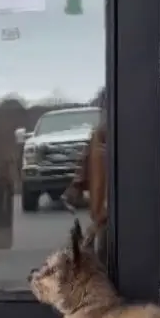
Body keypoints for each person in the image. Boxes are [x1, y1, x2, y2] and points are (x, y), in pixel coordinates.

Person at [64, 88, 108, 261]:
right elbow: (85, 160)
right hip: (102, 216)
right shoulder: (98, 134)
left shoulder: (126, 133)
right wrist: (76, 186)